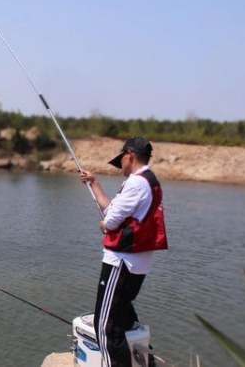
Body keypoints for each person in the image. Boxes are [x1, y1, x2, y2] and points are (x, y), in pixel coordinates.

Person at [79, 137, 168, 367]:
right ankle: (144, 363)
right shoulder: (150, 181)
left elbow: (110, 221)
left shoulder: (137, 183)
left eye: (122, 161)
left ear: (130, 155)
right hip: (135, 263)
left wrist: (104, 225)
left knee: (105, 327)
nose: (121, 167)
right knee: (125, 320)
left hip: (121, 263)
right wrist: (94, 184)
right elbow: (113, 210)